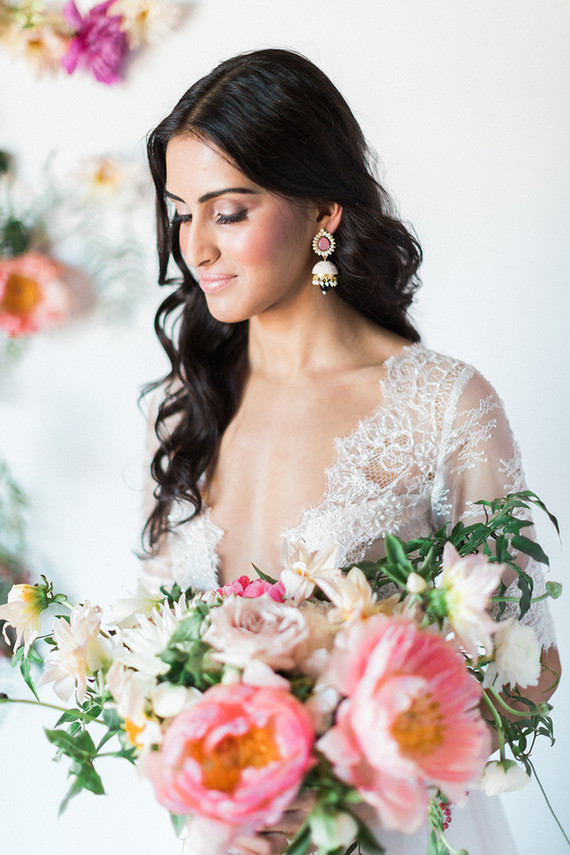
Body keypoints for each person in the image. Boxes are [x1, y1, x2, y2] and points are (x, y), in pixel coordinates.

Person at [140, 48, 560, 855]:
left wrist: (336, 771)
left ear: (325, 212)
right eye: (180, 212)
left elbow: (529, 672)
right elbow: (153, 664)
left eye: (228, 212)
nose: (195, 248)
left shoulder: (443, 406)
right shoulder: (188, 409)